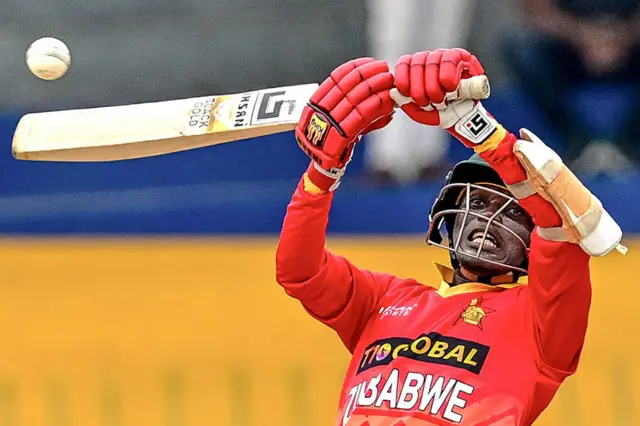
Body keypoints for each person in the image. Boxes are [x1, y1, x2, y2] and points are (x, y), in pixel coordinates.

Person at [275, 48, 623, 425]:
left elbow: (561, 224)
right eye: (480, 202)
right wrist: (321, 177)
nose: (489, 218)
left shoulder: (541, 322)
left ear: (532, 245)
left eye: (513, 211)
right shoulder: (383, 301)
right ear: (450, 216)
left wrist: (474, 126)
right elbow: (300, 271)